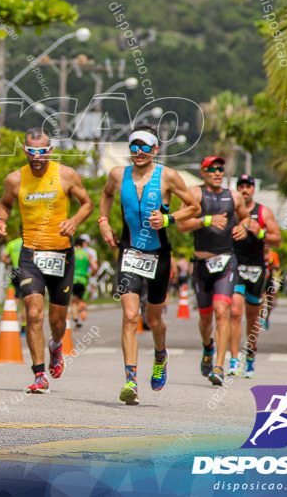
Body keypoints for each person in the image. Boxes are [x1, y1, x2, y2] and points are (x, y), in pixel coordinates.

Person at [99, 126, 200, 405]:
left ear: (155, 149)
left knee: (153, 320)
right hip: (129, 252)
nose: (139, 152)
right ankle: (130, 379)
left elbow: (194, 206)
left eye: (145, 146)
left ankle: (160, 355)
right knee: (131, 317)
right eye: (134, 146)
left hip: (159, 255)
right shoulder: (118, 175)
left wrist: (168, 219)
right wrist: (104, 222)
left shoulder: (167, 176)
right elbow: (106, 195)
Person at [0, 127, 94, 394]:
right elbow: (4, 204)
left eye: (42, 151)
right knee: (34, 313)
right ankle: (39, 374)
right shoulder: (15, 179)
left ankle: (56, 346)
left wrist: (74, 221)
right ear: (25, 150)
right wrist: (0, 220)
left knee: (57, 321)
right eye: (31, 151)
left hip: (62, 254)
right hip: (31, 255)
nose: (37, 156)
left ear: (50, 151)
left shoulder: (66, 175)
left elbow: (87, 203)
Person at [175, 155, 251, 386]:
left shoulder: (234, 196)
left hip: (226, 261)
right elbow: (181, 225)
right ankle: (208, 346)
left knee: (222, 310)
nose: (218, 173)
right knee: (205, 318)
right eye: (213, 169)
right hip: (201, 264)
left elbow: (246, 216)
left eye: (221, 169)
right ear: (204, 173)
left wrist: (244, 227)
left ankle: (218, 366)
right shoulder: (195, 194)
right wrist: (206, 220)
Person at [230, 174, 282, 378]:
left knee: (252, 317)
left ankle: (250, 355)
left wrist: (260, 233)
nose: (245, 190)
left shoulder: (263, 211)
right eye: (241, 186)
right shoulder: (232, 211)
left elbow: (277, 239)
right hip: (235, 265)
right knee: (234, 312)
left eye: (248, 186)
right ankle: (234, 359)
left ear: (253, 189)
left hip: (256, 268)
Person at [71, 235, 97, 328]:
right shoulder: (87, 254)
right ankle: (82, 313)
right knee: (82, 300)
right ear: (82, 244)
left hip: (73, 280)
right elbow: (95, 267)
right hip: (84, 280)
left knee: (73, 301)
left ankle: (76, 319)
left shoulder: (72, 254)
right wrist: (90, 274)